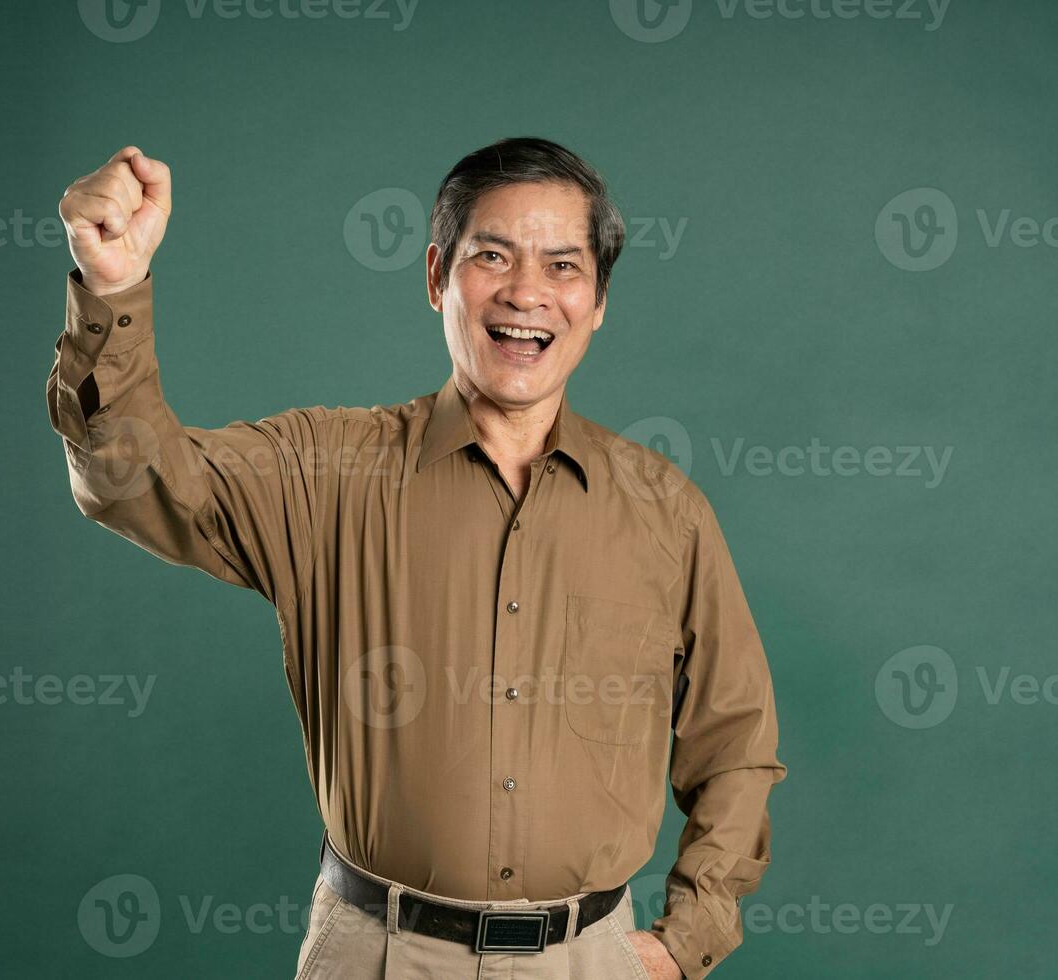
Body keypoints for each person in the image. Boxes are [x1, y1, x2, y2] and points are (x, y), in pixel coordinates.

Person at [46, 136, 785, 979]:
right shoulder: (323, 472)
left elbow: (735, 744)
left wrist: (684, 941)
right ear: (437, 274)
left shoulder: (666, 513)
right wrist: (111, 286)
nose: (527, 294)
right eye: (493, 256)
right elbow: (135, 484)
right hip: (377, 956)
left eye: (563, 267)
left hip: (592, 961)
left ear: (600, 298)